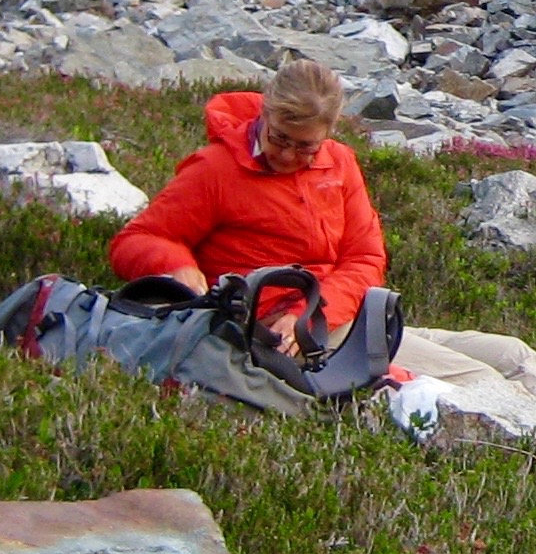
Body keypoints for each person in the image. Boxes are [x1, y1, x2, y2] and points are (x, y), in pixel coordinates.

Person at [110, 59, 385, 349]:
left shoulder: (340, 163)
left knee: (435, 349)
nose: (288, 155)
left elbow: (365, 259)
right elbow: (135, 240)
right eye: (279, 138)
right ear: (264, 113)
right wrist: (176, 265)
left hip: (328, 315)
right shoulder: (215, 169)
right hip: (261, 331)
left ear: (328, 133)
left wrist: (311, 314)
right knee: (422, 376)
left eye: (306, 147)